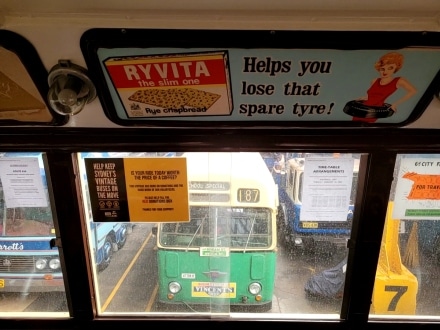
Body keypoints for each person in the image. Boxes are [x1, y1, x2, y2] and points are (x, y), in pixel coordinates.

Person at [352, 52, 417, 123]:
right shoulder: (374, 80)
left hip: (374, 111)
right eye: (382, 69)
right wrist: (364, 97)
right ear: (379, 69)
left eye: (390, 68)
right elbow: (371, 95)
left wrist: (395, 104)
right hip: (362, 108)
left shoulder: (398, 81)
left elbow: (413, 91)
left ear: (395, 68)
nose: (385, 72)